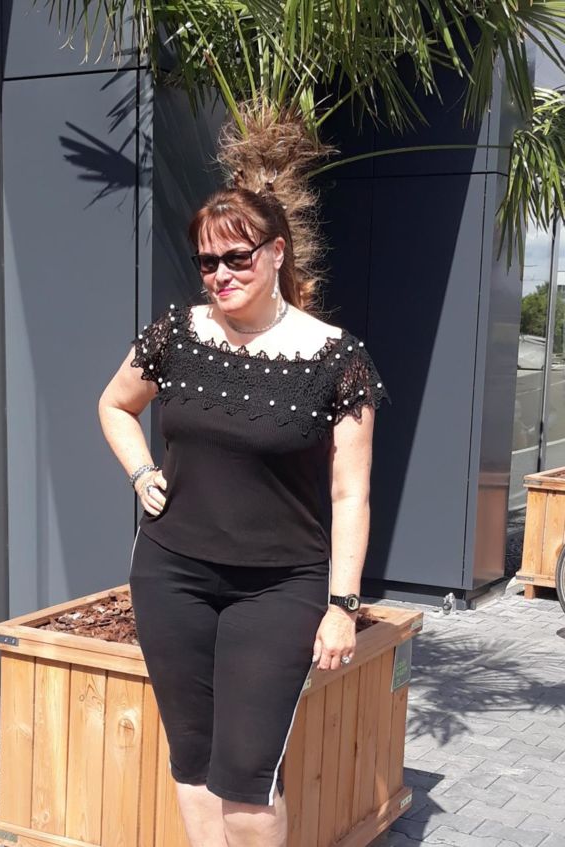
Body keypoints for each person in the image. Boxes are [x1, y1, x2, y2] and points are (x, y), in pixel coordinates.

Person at [98, 103, 391, 847]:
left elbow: (350, 491)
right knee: (193, 758)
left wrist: (342, 603)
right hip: (172, 574)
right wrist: (140, 471)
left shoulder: (336, 357)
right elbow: (114, 404)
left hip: (279, 586)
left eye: (237, 257)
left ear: (277, 252)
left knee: (249, 777)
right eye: (208, 261)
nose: (221, 274)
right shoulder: (175, 334)